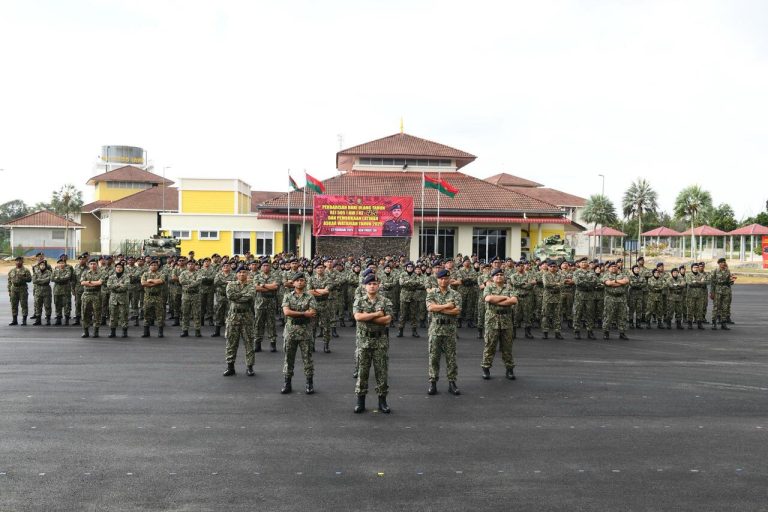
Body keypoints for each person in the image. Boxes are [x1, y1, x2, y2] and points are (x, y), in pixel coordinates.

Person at [353, 273, 393, 413]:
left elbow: (387, 320)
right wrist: (376, 315)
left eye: (375, 284)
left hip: (380, 341)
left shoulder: (385, 301)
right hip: (364, 341)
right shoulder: (359, 301)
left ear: (379, 285)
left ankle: (382, 401)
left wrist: (367, 316)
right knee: (362, 372)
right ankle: (360, 401)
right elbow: (358, 317)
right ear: (365, 286)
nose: (372, 286)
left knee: (381, 372)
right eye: (369, 284)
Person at [425, 269, 462, 396]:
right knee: (434, 357)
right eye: (441, 278)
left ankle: (452, 382)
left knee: (451, 358)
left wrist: (439, 308)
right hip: (435, 330)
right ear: (437, 279)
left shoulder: (456, 294)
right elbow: (430, 308)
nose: (443, 280)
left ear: (449, 279)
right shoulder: (431, 293)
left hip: (450, 330)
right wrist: (447, 306)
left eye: (446, 278)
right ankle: (433, 382)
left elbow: (457, 311)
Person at [281, 273, 317, 395]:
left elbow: (312, 313)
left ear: (305, 282)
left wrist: (295, 312)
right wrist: (303, 314)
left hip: (305, 331)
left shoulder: (310, 297)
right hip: (291, 331)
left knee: (307, 358)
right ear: (293, 283)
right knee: (288, 358)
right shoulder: (287, 296)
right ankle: (287, 383)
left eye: (302, 280)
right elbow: (286, 312)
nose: (300, 282)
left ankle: (309, 383)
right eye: (297, 280)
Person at [482, 268, 518, 380]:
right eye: (496, 275)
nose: (499, 276)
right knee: (490, 345)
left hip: (506, 321)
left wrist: (497, 300)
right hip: (492, 320)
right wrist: (505, 298)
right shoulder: (489, 287)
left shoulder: (510, 287)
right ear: (493, 277)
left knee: (507, 346)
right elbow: (488, 298)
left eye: (501, 274)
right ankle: (486, 368)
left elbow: (514, 301)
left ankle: (509, 369)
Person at [223, 265, 257, 377]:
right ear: (236, 274)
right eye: (240, 272)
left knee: (249, 342)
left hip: (247, 316)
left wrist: (238, 296)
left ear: (247, 274)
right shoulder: (231, 284)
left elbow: (250, 296)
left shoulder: (251, 285)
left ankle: (250, 367)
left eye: (244, 272)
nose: (242, 274)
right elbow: (230, 296)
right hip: (233, 316)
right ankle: (230, 366)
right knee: (231, 342)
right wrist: (242, 295)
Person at [254, 259, 282, 352]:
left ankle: (272, 343)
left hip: (271, 302)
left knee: (271, 323)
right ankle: (257, 343)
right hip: (260, 303)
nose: (266, 267)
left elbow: (275, 287)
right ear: (261, 267)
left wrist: (262, 285)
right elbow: (256, 288)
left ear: (270, 267)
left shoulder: (275, 275)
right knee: (258, 323)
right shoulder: (257, 276)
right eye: (264, 265)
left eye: (267, 265)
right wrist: (268, 287)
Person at [308, 262, 333, 353]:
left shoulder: (328, 279)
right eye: (318, 268)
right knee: (312, 326)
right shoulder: (311, 279)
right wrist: (319, 291)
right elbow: (309, 291)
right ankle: (312, 344)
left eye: (321, 267)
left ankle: (326, 345)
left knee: (326, 326)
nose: (320, 269)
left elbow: (326, 291)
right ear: (315, 269)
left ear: (324, 268)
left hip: (324, 304)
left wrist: (315, 290)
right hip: (314, 305)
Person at [601, 261, 629, 340]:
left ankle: (622, 332)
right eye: (611, 267)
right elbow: (608, 283)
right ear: (609, 268)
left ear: (617, 267)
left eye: (615, 266)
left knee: (622, 315)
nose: (613, 268)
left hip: (621, 298)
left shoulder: (623, 275)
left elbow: (626, 281)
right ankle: (606, 332)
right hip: (610, 298)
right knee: (608, 315)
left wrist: (615, 281)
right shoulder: (606, 275)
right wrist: (619, 282)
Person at [140, 259, 165, 338]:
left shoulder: (161, 274)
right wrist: (155, 283)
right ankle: (146, 332)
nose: (153, 266)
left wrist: (150, 281)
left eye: (155, 265)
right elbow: (143, 283)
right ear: (149, 266)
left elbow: (161, 281)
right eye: (152, 265)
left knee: (159, 314)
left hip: (158, 297)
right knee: (146, 313)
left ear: (157, 266)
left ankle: (160, 332)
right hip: (148, 296)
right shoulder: (145, 274)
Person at [710, 257, 736, 330]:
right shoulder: (715, 271)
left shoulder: (727, 271)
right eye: (721, 262)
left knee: (725, 307)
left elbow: (729, 282)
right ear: (718, 263)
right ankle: (714, 323)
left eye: (724, 262)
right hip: (717, 291)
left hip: (726, 291)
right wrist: (712, 292)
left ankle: (723, 323)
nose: (722, 264)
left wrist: (732, 280)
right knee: (716, 307)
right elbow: (712, 283)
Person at [397, 261, 422, 337]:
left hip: (413, 296)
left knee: (414, 314)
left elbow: (419, 283)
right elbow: (401, 283)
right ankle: (400, 330)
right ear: (406, 268)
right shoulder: (402, 274)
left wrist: (408, 282)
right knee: (403, 314)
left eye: (411, 267)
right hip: (404, 296)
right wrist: (412, 283)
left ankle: (414, 331)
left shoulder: (416, 275)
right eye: (408, 267)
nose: (410, 268)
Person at [106, 261, 131, 338]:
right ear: (115, 268)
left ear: (123, 268)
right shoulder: (111, 277)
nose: (119, 269)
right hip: (113, 299)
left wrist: (115, 287)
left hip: (123, 299)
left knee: (124, 315)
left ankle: (124, 331)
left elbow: (126, 287)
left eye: (120, 267)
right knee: (113, 315)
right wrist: (119, 284)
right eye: (117, 267)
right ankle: (113, 332)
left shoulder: (126, 277)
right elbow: (109, 286)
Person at [80, 257, 103, 338]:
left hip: (96, 295)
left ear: (97, 264)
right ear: (88, 265)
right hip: (86, 295)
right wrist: (93, 283)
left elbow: (100, 283)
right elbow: (82, 283)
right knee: (85, 313)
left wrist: (88, 282)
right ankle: (86, 331)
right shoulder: (85, 273)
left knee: (97, 314)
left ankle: (96, 331)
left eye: (94, 264)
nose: (93, 265)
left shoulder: (100, 273)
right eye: (91, 264)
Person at [179, 259, 202, 337]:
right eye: (189, 264)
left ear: (194, 265)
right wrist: (192, 282)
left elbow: (198, 282)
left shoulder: (198, 273)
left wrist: (188, 284)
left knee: (197, 313)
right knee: (185, 313)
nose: (190, 265)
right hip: (186, 296)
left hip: (195, 296)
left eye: (192, 264)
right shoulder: (183, 273)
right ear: (186, 265)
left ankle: (197, 330)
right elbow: (182, 281)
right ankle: (185, 330)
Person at [541, 260, 564, 339]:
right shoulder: (545, 275)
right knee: (545, 315)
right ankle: (545, 332)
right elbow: (546, 285)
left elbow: (562, 285)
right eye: (551, 266)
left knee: (557, 315)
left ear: (557, 267)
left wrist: (555, 284)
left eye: (554, 266)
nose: (553, 268)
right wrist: (556, 284)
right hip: (548, 298)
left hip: (557, 298)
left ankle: (557, 332)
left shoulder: (560, 275)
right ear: (548, 267)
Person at [212, 262, 235, 337]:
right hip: (220, 297)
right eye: (224, 266)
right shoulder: (218, 275)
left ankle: (228, 331)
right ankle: (217, 331)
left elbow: (235, 283)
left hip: (229, 297)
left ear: (230, 267)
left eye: (227, 266)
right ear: (222, 268)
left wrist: (226, 283)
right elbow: (216, 282)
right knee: (218, 313)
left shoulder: (233, 275)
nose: (226, 267)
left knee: (229, 313)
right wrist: (227, 282)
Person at [8, 256, 31, 326]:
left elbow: (29, 279)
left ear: (22, 262)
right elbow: (9, 281)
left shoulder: (26, 270)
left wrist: (23, 278)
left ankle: (24, 320)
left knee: (24, 305)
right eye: (17, 261)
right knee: (14, 305)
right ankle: (14, 320)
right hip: (14, 289)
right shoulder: (12, 271)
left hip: (22, 289)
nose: (18, 262)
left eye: (20, 261)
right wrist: (9, 290)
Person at [685, 262, 707, 329]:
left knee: (699, 309)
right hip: (691, 295)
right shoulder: (688, 275)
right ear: (692, 268)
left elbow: (705, 282)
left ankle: (699, 323)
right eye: (694, 267)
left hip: (700, 295)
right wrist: (699, 282)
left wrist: (696, 282)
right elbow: (689, 283)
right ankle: (690, 323)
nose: (696, 269)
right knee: (690, 309)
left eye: (697, 267)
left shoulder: (702, 275)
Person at [51, 257, 73, 325]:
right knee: (57, 304)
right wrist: (60, 279)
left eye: (62, 263)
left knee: (67, 305)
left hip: (66, 290)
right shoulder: (55, 271)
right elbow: (52, 278)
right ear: (57, 264)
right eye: (59, 263)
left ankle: (66, 319)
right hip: (57, 291)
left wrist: (57, 278)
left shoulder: (68, 270)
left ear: (65, 264)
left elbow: (67, 277)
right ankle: (58, 318)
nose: (61, 264)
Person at [32, 260, 52, 325]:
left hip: (46, 291)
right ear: (39, 266)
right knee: (38, 305)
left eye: (43, 265)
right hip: (38, 291)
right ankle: (38, 320)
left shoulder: (49, 272)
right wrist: (43, 280)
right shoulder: (36, 272)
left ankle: (48, 320)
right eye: (41, 265)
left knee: (47, 305)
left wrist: (39, 280)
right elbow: (34, 281)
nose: (42, 266)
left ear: (45, 266)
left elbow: (49, 279)